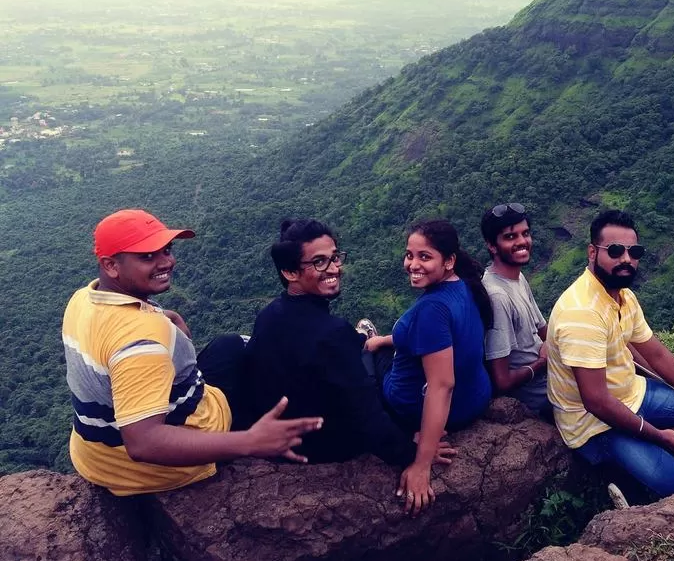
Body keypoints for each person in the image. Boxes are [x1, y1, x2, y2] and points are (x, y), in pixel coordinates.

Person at [61, 209, 322, 496]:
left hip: (98, 459)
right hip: (155, 469)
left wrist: (162, 317)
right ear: (111, 265)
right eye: (147, 256)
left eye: (167, 249)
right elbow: (144, 443)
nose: (167, 261)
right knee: (270, 377)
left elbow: (119, 339)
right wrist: (249, 441)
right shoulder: (142, 339)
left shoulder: (82, 299)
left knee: (229, 345)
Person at [242, 218, 455, 471]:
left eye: (335, 257)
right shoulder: (331, 333)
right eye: (319, 262)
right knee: (383, 358)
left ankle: (362, 340)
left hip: (285, 439)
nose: (334, 269)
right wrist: (415, 454)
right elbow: (368, 419)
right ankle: (365, 341)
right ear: (290, 273)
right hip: (326, 446)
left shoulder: (268, 315)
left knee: (361, 349)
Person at [546, 210, 674, 499]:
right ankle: (631, 472)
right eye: (615, 251)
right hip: (594, 424)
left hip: (633, 392)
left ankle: (646, 463)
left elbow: (657, 355)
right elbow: (597, 402)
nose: (626, 259)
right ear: (592, 252)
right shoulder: (581, 313)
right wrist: (658, 434)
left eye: (634, 251)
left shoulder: (623, 296)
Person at [365, 219, 492, 515]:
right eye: (410, 255)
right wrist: (387, 339)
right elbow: (440, 341)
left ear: (449, 261)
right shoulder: (466, 286)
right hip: (474, 400)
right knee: (381, 346)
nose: (413, 264)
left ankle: (368, 339)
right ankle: (378, 338)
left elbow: (441, 385)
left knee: (360, 365)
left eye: (425, 256)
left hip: (417, 406)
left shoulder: (431, 310)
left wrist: (421, 462)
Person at [479, 202, 550, 416]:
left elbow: (542, 328)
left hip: (557, 376)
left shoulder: (517, 276)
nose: (522, 242)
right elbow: (502, 381)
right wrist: (543, 362)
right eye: (510, 237)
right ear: (492, 245)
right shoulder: (497, 296)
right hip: (544, 396)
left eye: (525, 233)